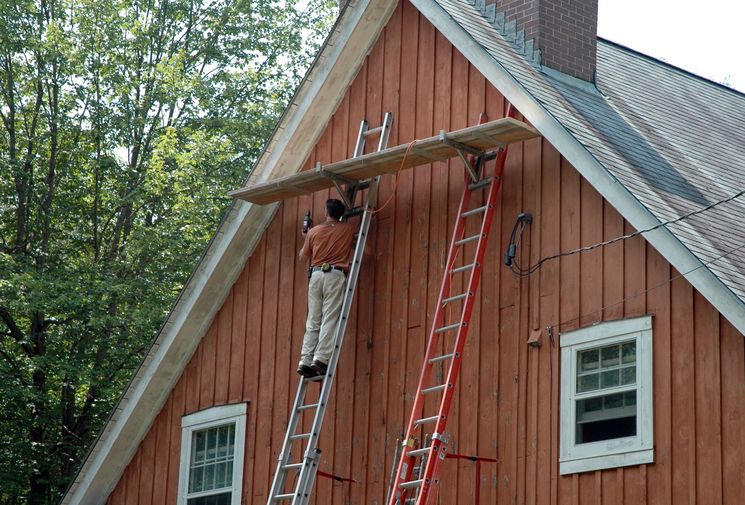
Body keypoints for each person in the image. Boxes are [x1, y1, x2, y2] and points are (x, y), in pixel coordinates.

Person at [297, 198, 357, 378]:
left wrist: (307, 236)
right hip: (335, 275)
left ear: (326, 212)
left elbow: (302, 256)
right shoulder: (348, 229)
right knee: (329, 317)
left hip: (316, 276)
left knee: (313, 320)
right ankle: (321, 359)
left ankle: (305, 360)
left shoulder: (313, 231)